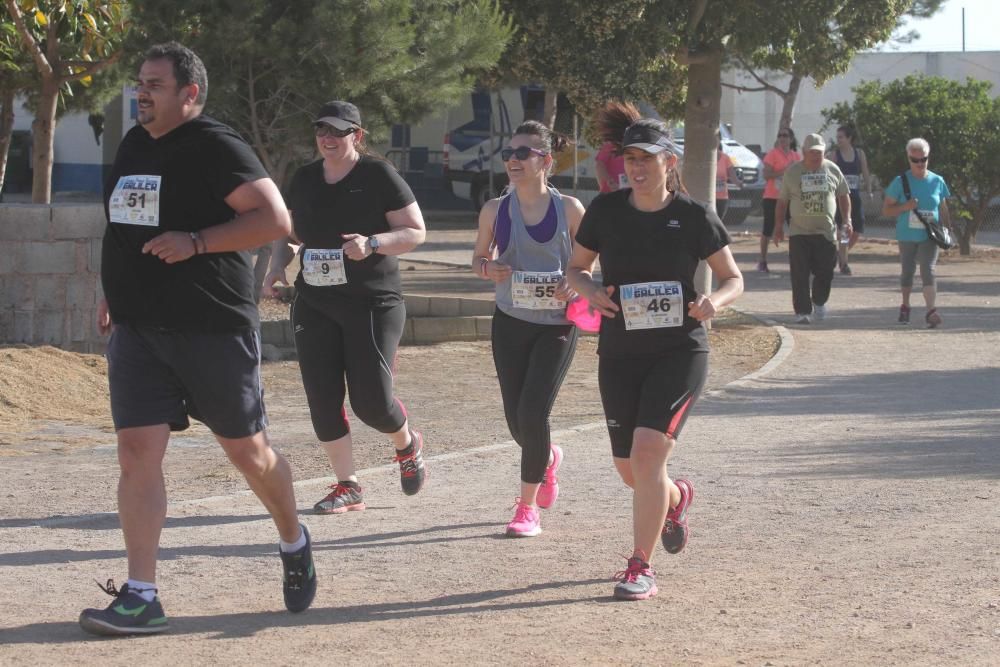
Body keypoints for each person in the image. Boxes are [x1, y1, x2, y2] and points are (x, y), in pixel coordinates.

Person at [80, 42, 316, 637]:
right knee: (136, 453)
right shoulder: (134, 143)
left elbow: (273, 220)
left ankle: (293, 537)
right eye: (139, 82)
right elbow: (125, 224)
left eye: (155, 84)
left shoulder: (217, 146)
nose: (142, 92)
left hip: (212, 328)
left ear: (190, 93)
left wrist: (197, 242)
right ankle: (142, 594)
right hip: (139, 329)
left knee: (248, 454)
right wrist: (115, 287)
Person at [566, 105, 743, 601]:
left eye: (647, 157)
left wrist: (714, 301)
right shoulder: (606, 211)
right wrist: (590, 291)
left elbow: (734, 277)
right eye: (629, 157)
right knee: (633, 471)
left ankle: (640, 565)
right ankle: (677, 497)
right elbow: (576, 268)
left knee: (647, 457)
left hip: (679, 351)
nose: (636, 167)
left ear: (670, 162)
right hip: (620, 352)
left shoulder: (692, 215)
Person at [263, 101, 428, 515]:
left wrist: (372, 243)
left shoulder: (377, 175)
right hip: (315, 302)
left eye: (338, 131)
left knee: (371, 402)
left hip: (372, 302)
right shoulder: (304, 179)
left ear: (357, 135)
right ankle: (347, 485)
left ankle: (406, 444)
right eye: (321, 130)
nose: (328, 138)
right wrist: (274, 268)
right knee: (322, 398)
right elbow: (287, 233)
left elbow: (415, 231)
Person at [471, 121, 586, 538]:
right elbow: (478, 258)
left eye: (523, 153)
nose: (513, 160)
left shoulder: (570, 210)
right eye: (509, 154)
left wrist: (576, 282)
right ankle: (547, 459)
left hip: (556, 326)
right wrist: (490, 268)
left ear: (546, 161)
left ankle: (526, 507)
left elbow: (591, 264)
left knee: (534, 412)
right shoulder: (494, 210)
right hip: (510, 323)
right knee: (517, 423)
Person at [774, 133, 851, 324]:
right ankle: (802, 311)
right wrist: (778, 226)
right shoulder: (792, 172)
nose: (817, 157)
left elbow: (843, 195)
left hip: (826, 233)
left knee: (825, 272)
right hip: (799, 232)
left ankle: (819, 301)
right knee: (799, 273)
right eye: (813, 153)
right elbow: (782, 202)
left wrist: (847, 220)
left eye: (820, 153)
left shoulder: (832, 169)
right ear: (803, 153)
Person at [881, 138, 953, 328]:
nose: (920, 164)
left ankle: (931, 310)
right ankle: (905, 305)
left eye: (924, 159)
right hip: (906, 235)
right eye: (916, 160)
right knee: (908, 272)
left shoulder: (937, 181)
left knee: (928, 270)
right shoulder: (900, 182)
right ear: (909, 158)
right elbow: (886, 210)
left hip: (929, 236)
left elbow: (943, 207)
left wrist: (947, 230)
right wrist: (906, 206)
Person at [827, 125, 872, 275]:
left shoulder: (859, 154)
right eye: (838, 137)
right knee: (844, 230)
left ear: (849, 138)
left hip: (855, 196)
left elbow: (865, 172)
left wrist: (869, 190)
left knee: (857, 230)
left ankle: (840, 255)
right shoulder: (835, 155)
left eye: (841, 137)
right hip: (840, 197)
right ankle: (844, 263)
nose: (838, 140)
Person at [758, 128, 801, 272]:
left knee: (795, 229)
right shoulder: (772, 154)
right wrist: (784, 170)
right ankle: (763, 260)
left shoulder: (796, 156)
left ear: (791, 139)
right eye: (780, 136)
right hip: (772, 197)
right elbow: (766, 174)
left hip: (790, 198)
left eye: (786, 136)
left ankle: (797, 260)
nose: (782, 138)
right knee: (768, 229)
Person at [715, 134, 741, 221]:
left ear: (719, 141)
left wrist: (739, 184)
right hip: (708, 198)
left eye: (716, 139)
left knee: (719, 222)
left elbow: (733, 175)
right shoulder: (704, 158)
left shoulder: (726, 158)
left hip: (722, 197)